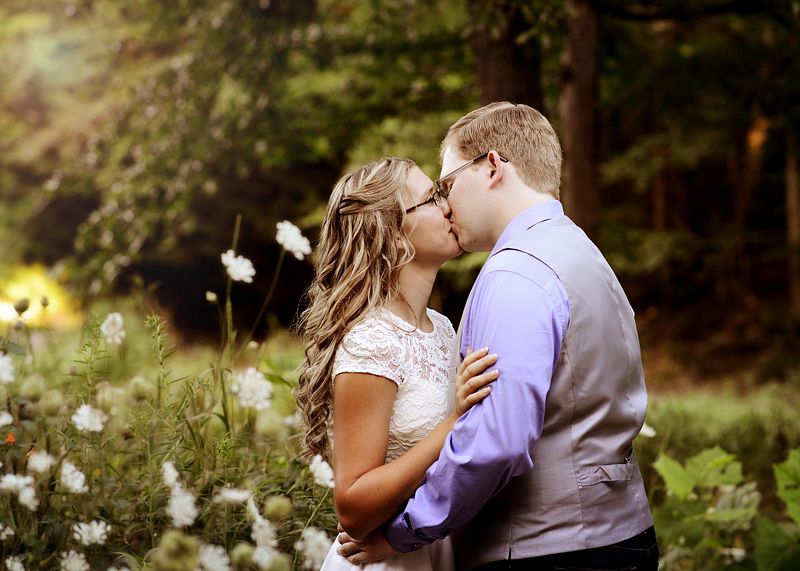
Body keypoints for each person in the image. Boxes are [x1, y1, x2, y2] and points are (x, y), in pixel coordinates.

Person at [335, 102, 659, 570]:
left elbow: (498, 442)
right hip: (623, 531)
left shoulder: (515, 273)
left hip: (549, 550)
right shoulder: (585, 254)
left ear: (492, 166)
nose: (445, 203)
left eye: (445, 185)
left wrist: (406, 533)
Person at [295, 157, 499, 570]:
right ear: (391, 237)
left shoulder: (442, 328)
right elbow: (352, 509)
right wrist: (453, 423)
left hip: (435, 546)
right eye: (430, 198)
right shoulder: (372, 342)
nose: (447, 206)